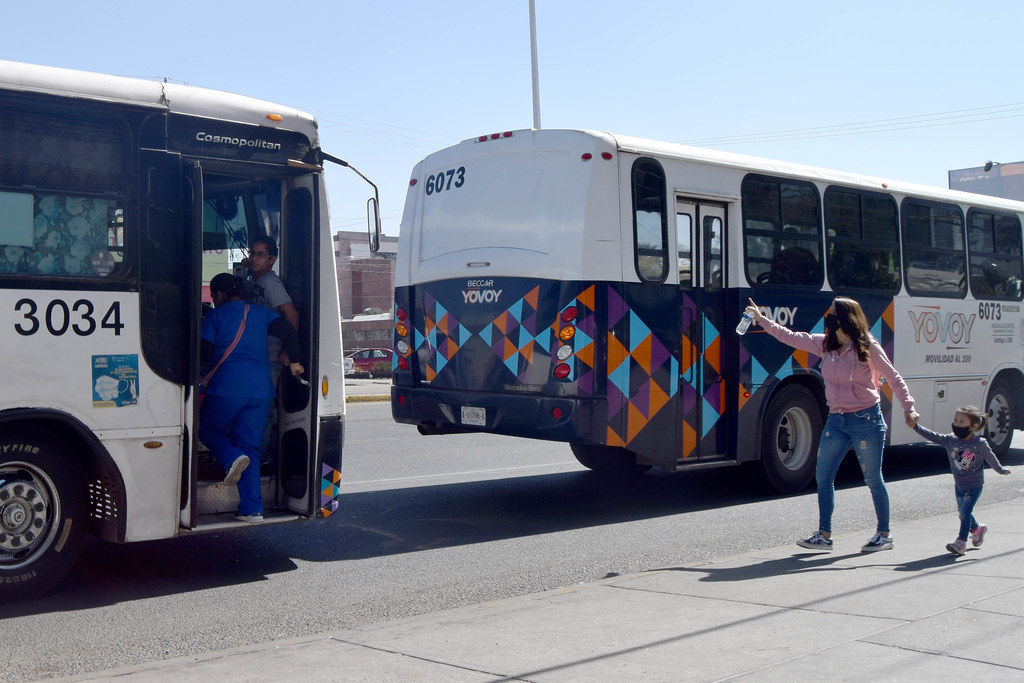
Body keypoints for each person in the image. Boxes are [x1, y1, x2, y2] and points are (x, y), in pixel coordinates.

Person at [744, 296, 919, 552]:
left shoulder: (867, 347)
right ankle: (824, 535)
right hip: (836, 420)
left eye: (833, 312)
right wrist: (762, 320)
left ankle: (884, 534)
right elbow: (790, 337)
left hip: (866, 420)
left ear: (847, 318)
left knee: (873, 478)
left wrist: (909, 407)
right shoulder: (826, 344)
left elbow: (894, 378)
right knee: (823, 476)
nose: (829, 316)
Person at [199, 273, 304, 523]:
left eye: (213, 296)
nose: (213, 300)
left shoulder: (215, 316)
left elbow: (204, 354)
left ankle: (230, 458)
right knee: (250, 448)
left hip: (227, 387)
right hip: (260, 390)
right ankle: (252, 509)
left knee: (205, 428)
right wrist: (295, 360)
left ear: (219, 295)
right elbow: (289, 330)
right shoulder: (261, 313)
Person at [911, 406, 1011, 556]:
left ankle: (961, 542)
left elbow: (990, 458)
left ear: (974, 426)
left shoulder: (979, 443)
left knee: (964, 513)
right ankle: (978, 529)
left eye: (961, 422)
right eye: (955, 420)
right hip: (959, 485)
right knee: (963, 512)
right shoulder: (950, 440)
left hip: (974, 486)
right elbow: (932, 436)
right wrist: (915, 426)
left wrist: (1001, 470)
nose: (956, 424)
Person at [242, 236, 300, 464]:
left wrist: (287, 350)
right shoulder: (254, 280)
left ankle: (260, 456)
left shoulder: (271, 283)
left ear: (272, 259)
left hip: (269, 355)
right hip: (254, 355)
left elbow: (291, 314)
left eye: (260, 255)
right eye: (252, 253)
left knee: (263, 407)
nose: (254, 258)